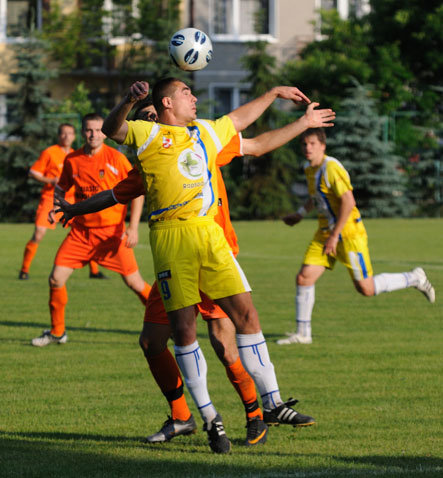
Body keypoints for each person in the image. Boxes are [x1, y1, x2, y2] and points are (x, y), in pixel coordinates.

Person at [55, 98, 335, 449]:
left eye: (156, 116)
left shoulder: (203, 140)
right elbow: (113, 194)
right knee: (153, 340)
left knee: (223, 340)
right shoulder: (150, 163)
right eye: (148, 120)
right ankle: (183, 416)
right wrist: (76, 208)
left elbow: (258, 144)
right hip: (175, 256)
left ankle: (258, 413)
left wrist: (301, 121)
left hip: (212, 252)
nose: (156, 124)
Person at [277, 128, 436, 346]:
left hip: (348, 235)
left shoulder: (330, 168)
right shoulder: (308, 168)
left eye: (312, 144)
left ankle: (414, 278)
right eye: (304, 144)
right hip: (325, 233)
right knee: (304, 277)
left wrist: (335, 236)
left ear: (323, 146)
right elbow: (316, 197)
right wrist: (300, 214)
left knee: (366, 289)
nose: (308, 148)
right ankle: (303, 334)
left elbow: (348, 202)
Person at [31, 113, 152, 347]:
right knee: (56, 279)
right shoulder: (72, 159)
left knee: (135, 284)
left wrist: (133, 227)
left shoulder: (116, 159)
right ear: (83, 131)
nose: (93, 134)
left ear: (105, 133)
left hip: (112, 235)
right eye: (88, 130)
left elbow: (139, 191)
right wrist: (56, 207)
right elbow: (61, 187)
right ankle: (57, 332)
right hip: (81, 234)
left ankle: (166, 324)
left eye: (98, 130)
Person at [19, 123, 106, 280]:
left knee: (87, 232)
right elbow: (33, 172)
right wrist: (50, 180)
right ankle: (24, 270)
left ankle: (94, 271)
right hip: (50, 198)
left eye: (70, 133)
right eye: (64, 133)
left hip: (73, 200)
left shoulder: (76, 154)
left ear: (74, 136)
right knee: (38, 234)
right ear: (59, 136)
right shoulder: (50, 152)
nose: (67, 136)